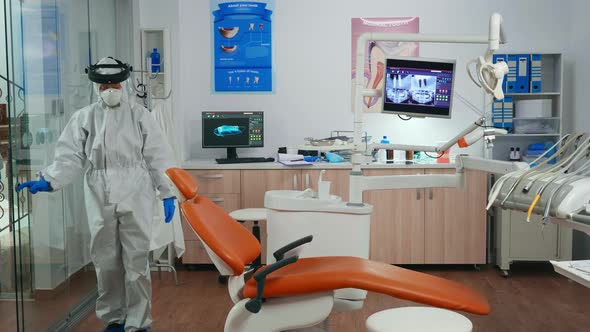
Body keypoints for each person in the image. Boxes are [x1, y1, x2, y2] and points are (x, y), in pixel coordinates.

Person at [17, 57, 177, 332]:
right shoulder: (84, 117)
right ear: (96, 86)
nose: (109, 88)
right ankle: (114, 319)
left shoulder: (140, 115)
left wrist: (168, 191)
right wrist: (49, 180)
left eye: (114, 83)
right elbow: (69, 156)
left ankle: (138, 323)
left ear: (123, 83)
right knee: (105, 260)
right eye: (104, 85)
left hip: (136, 189)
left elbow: (158, 156)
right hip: (98, 190)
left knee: (136, 260)